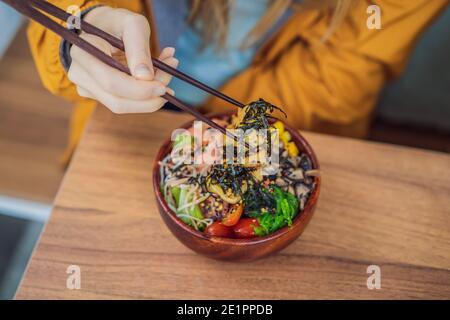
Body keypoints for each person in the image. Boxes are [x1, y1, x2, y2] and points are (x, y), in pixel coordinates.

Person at [27, 0, 448, 161]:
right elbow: (64, 15)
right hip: (117, 129)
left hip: (277, 138)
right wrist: (79, 27)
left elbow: (328, 95)